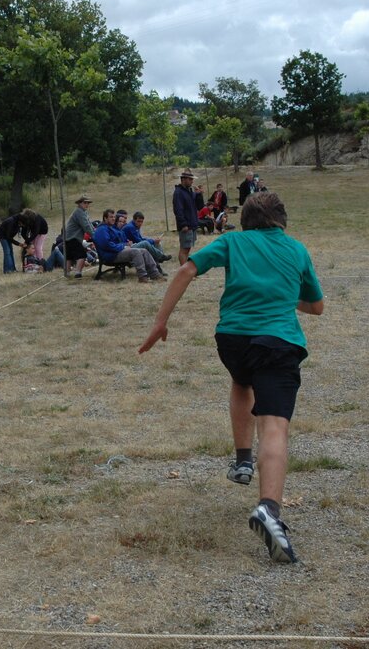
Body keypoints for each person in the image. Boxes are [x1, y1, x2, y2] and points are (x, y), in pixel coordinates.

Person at [138, 192, 324, 564]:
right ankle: (269, 509)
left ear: (247, 220)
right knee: (274, 424)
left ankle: (242, 460)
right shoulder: (296, 250)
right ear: (282, 221)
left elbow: (187, 268)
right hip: (278, 342)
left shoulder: (232, 240)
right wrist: (286, 297)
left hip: (233, 339)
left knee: (242, 381)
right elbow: (316, 307)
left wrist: (161, 322)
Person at [92, 209, 163, 283]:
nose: (113, 218)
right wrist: (124, 246)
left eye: (114, 217)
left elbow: (120, 241)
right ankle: (142, 277)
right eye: (111, 217)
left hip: (117, 251)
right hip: (111, 255)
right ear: (105, 218)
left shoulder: (111, 228)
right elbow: (108, 245)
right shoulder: (102, 230)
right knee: (135, 252)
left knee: (144, 251)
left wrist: (126, 244)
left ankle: (155, 274)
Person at [172, 169, 200, 266]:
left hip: (191, 224)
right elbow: (178, 210)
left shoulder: (189, 191)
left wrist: (198, 194)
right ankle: (183, 272)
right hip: (186, 225)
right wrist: (183, 224)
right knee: (184, 249)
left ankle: (185, 270)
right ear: (183, 179)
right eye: (190, 179)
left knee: (187, 248)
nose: (192, 181)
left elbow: (196, 205)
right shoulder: (178, 192)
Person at [64, 196, 94, 277]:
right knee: (82, 255)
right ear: (79, 203)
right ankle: (78, 273)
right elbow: (86, 226)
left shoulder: (83, 212)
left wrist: (94, 232)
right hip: (73, 237)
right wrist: (94, 236)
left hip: (69, 237)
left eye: (88, 203)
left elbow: (89, 224)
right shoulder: (79, 212)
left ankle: (67, 273)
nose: (87, 204)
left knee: (69, 256)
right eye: (85, 202)